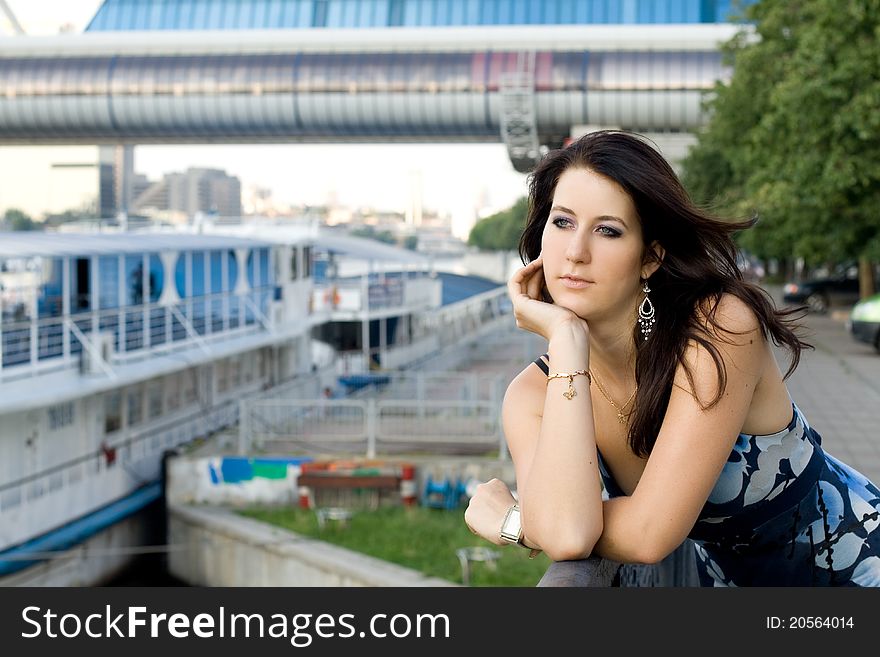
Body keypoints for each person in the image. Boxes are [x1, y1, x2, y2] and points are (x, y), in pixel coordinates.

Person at [464, 130, 880, 586]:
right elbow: (567, 536)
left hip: (854, 566)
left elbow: (647, 536)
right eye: (562, 222)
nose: (575, 252)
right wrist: (565, 338)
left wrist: (519, 523)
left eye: (607, 230)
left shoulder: (717, 328)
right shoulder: (530, 396)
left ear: (650, 257)